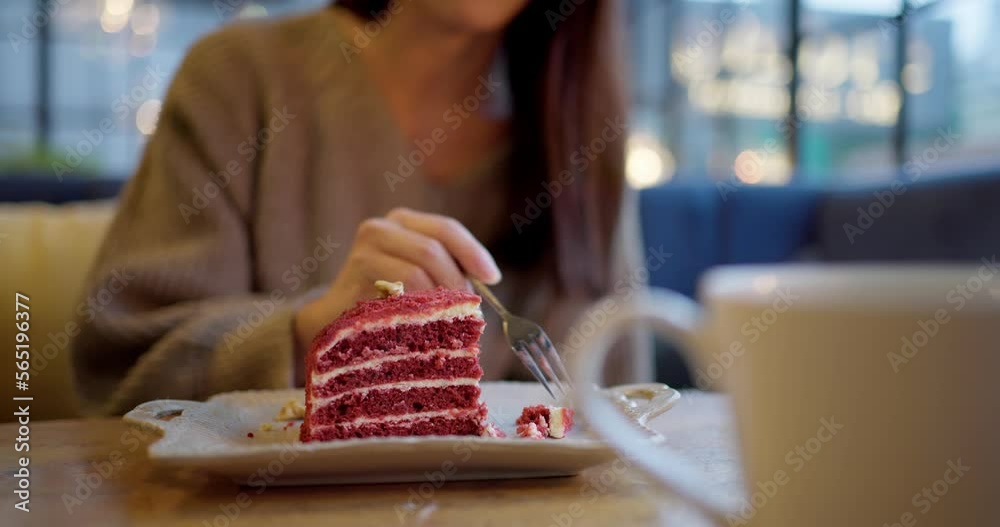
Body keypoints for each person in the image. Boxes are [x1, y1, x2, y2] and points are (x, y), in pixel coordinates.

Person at [70, 0, 650, 416]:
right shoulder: (240, 78)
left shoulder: (579, 140)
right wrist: (312, 332)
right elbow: (120, 373)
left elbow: (621, 404)